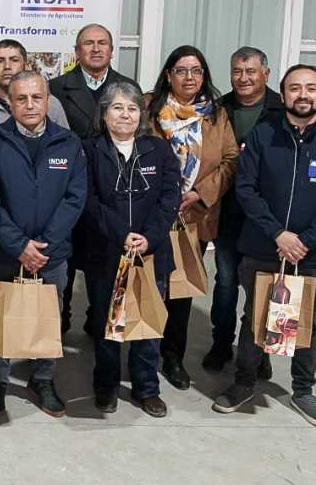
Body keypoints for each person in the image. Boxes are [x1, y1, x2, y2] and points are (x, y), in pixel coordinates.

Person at [213, 65, 316, 429]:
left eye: (311, 88)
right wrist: (278, 234)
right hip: (263, 248)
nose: (303, 94)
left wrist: (305, 241)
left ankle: (303, 390)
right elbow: (246, 189)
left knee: (308, 322)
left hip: (312, 254)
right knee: (254, 318)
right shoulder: (263, 136)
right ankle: (243, 382)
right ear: (283, 94)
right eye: (295, 88)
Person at [0, 70, 86, 419]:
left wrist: (45, 245)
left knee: (48, 316)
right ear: (9, 103)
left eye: (36, 97)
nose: (29, 105)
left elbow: (75, 198)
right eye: (21, 98)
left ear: (47, 100)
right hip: (4, 251)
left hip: (51, 254)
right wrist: (19, 245)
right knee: (0, 316)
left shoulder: (68, 143)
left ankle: (43, 379)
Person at [0, 38, 70, 366]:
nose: (7, 66)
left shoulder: (52, 107)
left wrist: (47, 236)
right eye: (0, 60)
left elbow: (66, 166)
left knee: (45, 290)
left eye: (14, 59)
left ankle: (40, 361)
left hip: (44, 223)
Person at [81, 81, 180, 416]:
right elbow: (88, 200)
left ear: (142, 115)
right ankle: (106, 386)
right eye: (117, 107)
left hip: (151, 253)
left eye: (133, 108)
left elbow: (170, 198)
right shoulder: (89, 150)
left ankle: (146, 388)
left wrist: (148, 237)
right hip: (106, 252)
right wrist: (121, 234)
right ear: (104, 114)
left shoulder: (159, 150)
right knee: (106, 324)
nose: (125, 115)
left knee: (147, 325)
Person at [145, 45, 238, 391]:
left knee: (180, 292)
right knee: (148, 286)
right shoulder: (149, 109)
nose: (189, 77)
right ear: (168, 74)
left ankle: (173, 356)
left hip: (193, 216)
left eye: (196, 71)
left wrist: (200, 193)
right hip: (153, 214)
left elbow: (231, 160)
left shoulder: (216, 114)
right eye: (181, 70)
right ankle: (143, 355)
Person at [49, 23, 138, 336]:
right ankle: (59, 320)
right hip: (67, 187)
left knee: (105, 261)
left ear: (112, 51)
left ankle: (98, 318)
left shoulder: (128, 86)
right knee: (66, 258)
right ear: (77, 51)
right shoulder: (56, 88)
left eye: (102, 43)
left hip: (111, 190)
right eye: (89, 43)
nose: (96, 48)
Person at [203, 46, 284, 375]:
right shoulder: (218, 108)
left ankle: (260, 350)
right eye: (237, 71)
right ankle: (221, 343)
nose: (244, 78)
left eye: (251, 71)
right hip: (229, 211)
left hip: (267, 215)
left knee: (264, 284)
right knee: (226, 281)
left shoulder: (281, 109)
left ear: (266, 73)